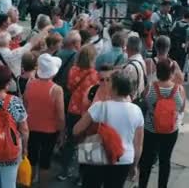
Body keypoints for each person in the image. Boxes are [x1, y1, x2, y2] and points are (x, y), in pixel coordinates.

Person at [73, 70, 144, 188]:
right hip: (124, 159)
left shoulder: (99, 107)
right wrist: (134, 166)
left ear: (115, 88)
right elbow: (138, 145)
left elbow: (76, 130)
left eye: (110, 82)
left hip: (97, 155)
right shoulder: (137, 111)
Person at [138, 59, 186, 188]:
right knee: (165, 161)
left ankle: (142, 185)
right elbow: (181, 108)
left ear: (157, 72)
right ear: (171, 72)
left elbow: (144, 100)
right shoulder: (178, 89)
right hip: (170, 131)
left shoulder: (151, 87)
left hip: (151, 129)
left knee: (147, 160)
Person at [23, 54, 65, 188]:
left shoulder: (30, 84)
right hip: (50, 131)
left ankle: (28, 183)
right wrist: (62, 132)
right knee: (45, 162)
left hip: (30, 127)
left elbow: (24, 105)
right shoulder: (57, 89)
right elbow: (60, 115)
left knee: (31, 159)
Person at [59, 44, 99, 182]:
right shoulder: (95, 75)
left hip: (73, 109)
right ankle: (82, 176)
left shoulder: (73, 70)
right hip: (86, 111)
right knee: (87, 142)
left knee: (70, 140)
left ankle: (64, 171)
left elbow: (70, 86)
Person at [124, 35, 147, 99]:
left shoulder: (130, 67)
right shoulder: (141, 60)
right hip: (139, 97)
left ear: (128, 48)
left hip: (131, 99)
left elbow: (124, 88)